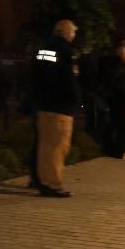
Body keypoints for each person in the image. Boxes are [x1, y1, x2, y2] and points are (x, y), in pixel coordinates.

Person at [28, 19, 79, 197]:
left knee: (44, 146)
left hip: (43, 105)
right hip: (60, 107)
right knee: (57, 147)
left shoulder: (44, 49)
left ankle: (40, 180)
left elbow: (36, 74)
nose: (74, 35)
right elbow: (69, 80)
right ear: (66, 33)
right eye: (73, 32)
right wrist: (75, 101)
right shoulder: (66, 52)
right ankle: (52, 184)